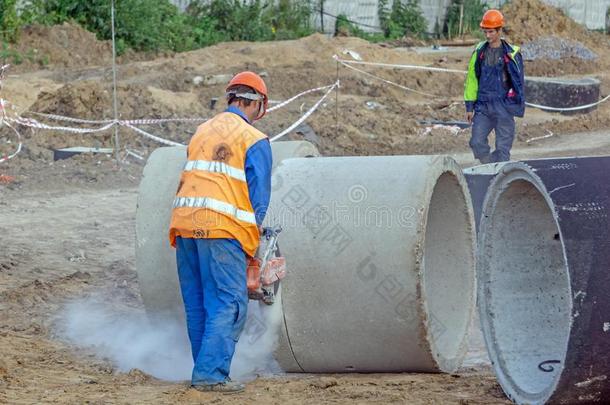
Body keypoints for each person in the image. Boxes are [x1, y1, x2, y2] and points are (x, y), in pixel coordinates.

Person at [168, 71, 272, 393]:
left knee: (198, 302)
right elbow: (258, 199)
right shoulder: (254, 139)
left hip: (185, 226)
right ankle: (211, 376)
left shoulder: (202, 130)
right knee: (229, 303)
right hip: (222, 231)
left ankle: (203, 370)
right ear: (258, 104)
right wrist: (253, 244)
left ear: (231, 98)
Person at [464, 9, 525, 164]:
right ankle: (489, 165)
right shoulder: (479, 52)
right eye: (485, 32)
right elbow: (472, 80)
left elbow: (518, 83)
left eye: (491, 32)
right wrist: (469, 106)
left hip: (503, 107)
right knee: (477, 142)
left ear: (499, 30)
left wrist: (512, 105)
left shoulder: (512, 54)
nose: (487, 35)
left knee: (503, 151)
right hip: (483, 106)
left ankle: (501, 180)